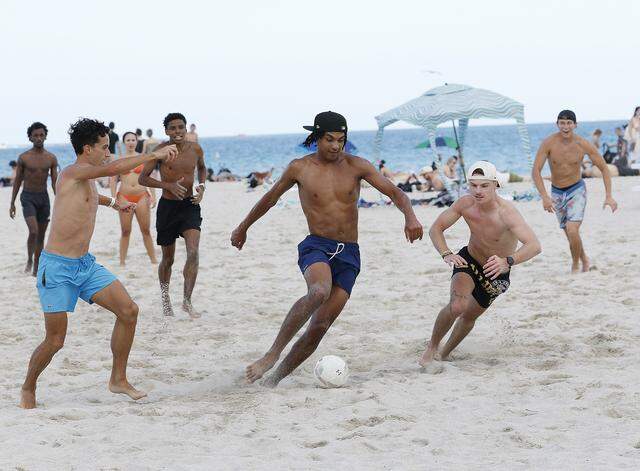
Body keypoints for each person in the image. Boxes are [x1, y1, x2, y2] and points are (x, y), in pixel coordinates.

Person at [231, 111, 424, 387]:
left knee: (319, 327)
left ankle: (273, 380)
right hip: (317, 246)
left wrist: (411, 216)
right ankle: (271, 355)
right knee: (318, 291)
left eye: (341, 140)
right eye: (330, 139)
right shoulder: (300, 168)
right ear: (317, 139)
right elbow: (270, 199)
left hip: (349, 254)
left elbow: (396, 193)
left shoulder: (358, 166)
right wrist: (243, 227)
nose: (336, 146)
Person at [20, 118, 177, 409]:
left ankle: (118, 378)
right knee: (55, 340)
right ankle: (28, 387)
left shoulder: (86, 179)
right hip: (56, 269)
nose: (108, 152)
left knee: (129, 311)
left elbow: (91, 196)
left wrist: (114, 203)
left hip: (85, 266)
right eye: (104, 147)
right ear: (87, 148)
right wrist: (154, 154)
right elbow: (112, 169)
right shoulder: (73, 171)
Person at [419, 161, 541, 367]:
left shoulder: (506, 213)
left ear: (495, 185)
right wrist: (446, 253)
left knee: (469, 316)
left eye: (484, 185)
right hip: (469, 259)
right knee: (457, 306)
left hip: (496, 271)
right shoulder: (464, 204)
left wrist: (508, 262)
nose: (478, 190)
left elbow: (534, 245)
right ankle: (432, 346)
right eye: (473, 185)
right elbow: (436, 229)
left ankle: (446, 353)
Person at [138, 113, 207, 319]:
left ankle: (187, 301)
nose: (177, 131)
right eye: (173, 128)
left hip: (190, 205)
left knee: (193, 253)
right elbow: (143, 178)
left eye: (180, 127)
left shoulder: (196, 148)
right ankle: (166, 299)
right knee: (168, 259)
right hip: (167, 208)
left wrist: (202, 187)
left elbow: (202, 168)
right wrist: (166, 185)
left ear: (186, 129)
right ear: (167, 131)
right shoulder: (160, 150)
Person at [532, 110, 618, 273]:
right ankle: (584, 259)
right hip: (556, 192)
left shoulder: (583, 144)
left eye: (569, 123)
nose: (565, 126)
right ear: (557, 124)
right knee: (570, 233)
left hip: (576, 190)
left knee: (572, 230)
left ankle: (575, 265)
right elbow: (536, 170)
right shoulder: (548, 143)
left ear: (575, 125)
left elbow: (604, 169)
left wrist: (609, 196)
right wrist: (544, 196)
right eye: (562, 123)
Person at [9, 122, 59, 276]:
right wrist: (12, 202)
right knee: (34, 231)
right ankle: (29, 259)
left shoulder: (51, 158)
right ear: (30, 138)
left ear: (45, 136)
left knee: (42, 236)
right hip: (28, 197)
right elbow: (17, 180)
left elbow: (54, 182)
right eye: (35, 135)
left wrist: (60, 200)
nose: (39, 138)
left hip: (43, 199)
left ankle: (36, 267)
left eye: (41, 135)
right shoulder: (24, 157)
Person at [110, 132, 158, 266]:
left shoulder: (143, 158)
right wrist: (113, 198)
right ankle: (122, 262)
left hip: (142, 196)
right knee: (125, 231)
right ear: (124, 142)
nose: (131, 142)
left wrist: (153, 196)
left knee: (146, 230)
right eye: (128, 140)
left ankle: (153, 260)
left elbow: (150, 177)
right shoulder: (119, 160)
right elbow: (113, 180)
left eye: (133, 140)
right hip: (124, 197)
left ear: (137, 142)